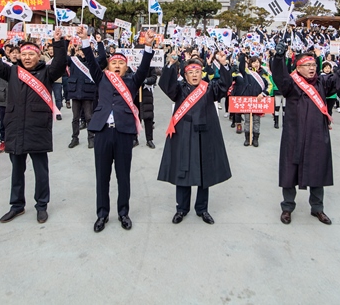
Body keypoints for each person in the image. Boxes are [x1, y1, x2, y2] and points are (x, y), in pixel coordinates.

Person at [0, 27, 66, 224]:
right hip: (15, 127)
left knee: (41, 171)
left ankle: (41, 205)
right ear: (18, 55)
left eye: (31, 54)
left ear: (38, 56)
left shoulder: (47, 72)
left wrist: (58, 42)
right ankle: (17, 205)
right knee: (16, 170)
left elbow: (61, 63)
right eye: (24, 54)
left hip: (38, 128)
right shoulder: (11, 71)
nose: (27, 58)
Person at [272, 42, 340, 225]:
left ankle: (317, 208)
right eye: (307, 65)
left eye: (313, 65)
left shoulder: (323, 82)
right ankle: (287, 208)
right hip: (294, 135)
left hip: (317, 135)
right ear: (298, 67)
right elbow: (279, 76)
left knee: (318, 171)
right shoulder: (291, 84)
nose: (312, 68)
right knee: (289, 173)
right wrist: (279, 58)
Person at [82, 26, 155, 233]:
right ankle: (102, 214)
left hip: (123, 132)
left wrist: (148, 46)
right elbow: (90, 63)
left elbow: (144, 67)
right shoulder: (101, 78)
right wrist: (86, 40)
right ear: (108, 65)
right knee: (102, 176)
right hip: (103, 131)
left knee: (123, 176)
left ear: (126, 67)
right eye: (113, 62)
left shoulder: (133, 81)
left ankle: (123, 213)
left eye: (120, 63)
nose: (116, 65)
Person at [157, 51, 232, 224]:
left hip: (205, 135)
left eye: (197, 71)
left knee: (204, 173)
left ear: (202, 73)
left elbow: (225, 84)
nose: (194, 75)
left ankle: (202, 209)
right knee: (183, 172)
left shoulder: (210, 88)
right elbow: (166, 84)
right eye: (190, 72)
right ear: (185, 75)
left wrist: (223, 64)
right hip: (184, 135)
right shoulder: (179, 89)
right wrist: (170, 64)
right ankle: (181, 209)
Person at [66, 40, 106, 149]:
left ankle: (91, 138)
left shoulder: (92, 61)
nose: (82, 52)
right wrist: (66, 41)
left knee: (89, 117)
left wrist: (100, 43)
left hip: (87, 93)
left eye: (84, 50)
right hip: (75, 93)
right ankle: (75, 138)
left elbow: (103, 58)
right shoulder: (73, 61)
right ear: (77, 51)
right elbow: (62, 58)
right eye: (80, 50)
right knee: (75, 118)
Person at [235, 53, 272, 147]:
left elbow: (269, 85)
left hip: (259, 100)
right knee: (247, 120)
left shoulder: (264, 73)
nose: (256, 64)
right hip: (248, 100)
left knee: (256, 120)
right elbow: (240, 66)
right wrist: (243, 55)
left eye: (258, 62)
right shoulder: (247, 72)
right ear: (250, 63)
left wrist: (263, 94)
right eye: (254, 62)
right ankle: (247, 139)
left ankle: (255, 139)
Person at [0, 45, 19, 153]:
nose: (14, 54)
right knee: (4, 121)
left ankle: (16, 140)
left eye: (17, 52)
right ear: (8, 54)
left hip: (17, 98)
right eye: (12, 52)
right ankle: (3, 141)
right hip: (3, 97)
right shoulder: (3, 65)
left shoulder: (23, 67)